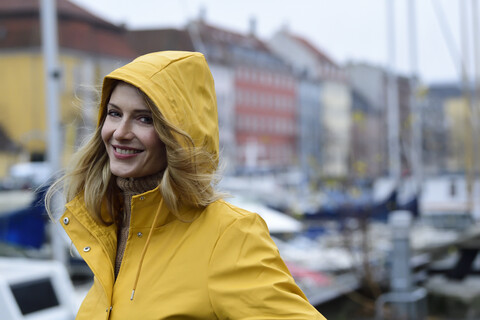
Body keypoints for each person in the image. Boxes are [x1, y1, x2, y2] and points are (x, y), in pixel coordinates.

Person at [46, 51, 326, 319]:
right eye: (114, 113)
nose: (120, 133)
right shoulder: (110, 226)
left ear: (180, 134)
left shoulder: (228, 236)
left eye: (145, 119)